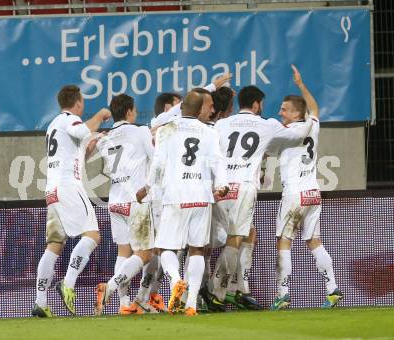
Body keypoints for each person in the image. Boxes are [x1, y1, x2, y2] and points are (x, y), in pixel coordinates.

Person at [199, 84, 314, 312]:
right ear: (255, 104)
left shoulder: (221, 124)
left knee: (212, 243)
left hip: (219, 189)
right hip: (243, 188)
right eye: (261, 104)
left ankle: (224, 290)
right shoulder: (267, 125)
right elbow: (299, 133)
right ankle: (217, 292)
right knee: (235, 238)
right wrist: (312, 117)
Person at [136, 89, 229, 316]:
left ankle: (176, 280)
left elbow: (158, 164)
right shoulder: (209, 131)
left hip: (176, 196)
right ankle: (191, 305)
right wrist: (221, 185)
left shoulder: (167, 130)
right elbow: (217, 161)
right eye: (207, 107)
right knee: (197, 249)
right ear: (198, 110)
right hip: (201, 196)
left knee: (166, 247)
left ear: (183, 106)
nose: (212, 111)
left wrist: (147, 188)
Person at [32, 85, 111, 317]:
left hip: (53, 189)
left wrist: (87, 150)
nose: (83, 105)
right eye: (83, 102)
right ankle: (68, 283)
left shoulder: (53, 125)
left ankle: (40, 302)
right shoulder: (69, 119)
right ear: (77, 103)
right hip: (68, 187)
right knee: (93, 235)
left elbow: (71, 150)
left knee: (55, 245)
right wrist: (101, 115)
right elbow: (81, 129)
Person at [269, 65, 343, 310]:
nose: (281, 112)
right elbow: (316, 109)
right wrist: (301, 85)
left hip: (294, 195)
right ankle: (332, 289)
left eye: (285, 110)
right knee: (314, 241)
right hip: (313, 193)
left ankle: (283, 293)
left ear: (296, 114)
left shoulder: (286, 131)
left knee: (284, 240)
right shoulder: (313, 125)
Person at [94, 94, 156, 315]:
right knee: (145, 253)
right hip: (135, 200)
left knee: (123, 251)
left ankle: (124, 304)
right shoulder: (140, 131)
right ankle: (109, 287)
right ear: (129, 111)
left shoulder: (105, 138)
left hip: (115, 200)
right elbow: (156, 159)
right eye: (135, 110)